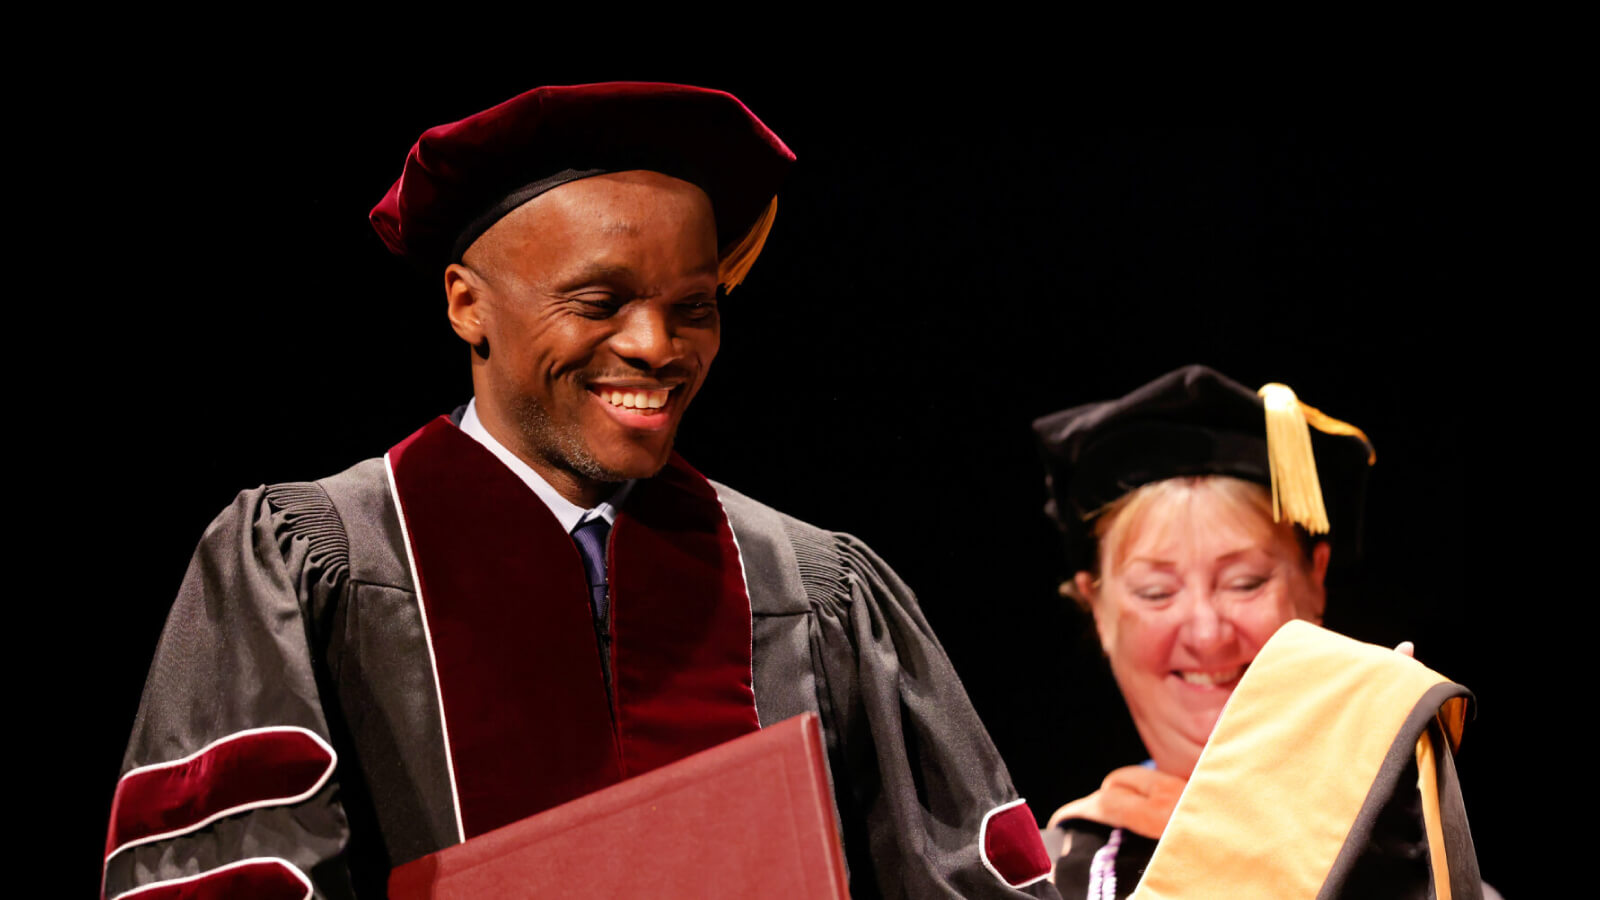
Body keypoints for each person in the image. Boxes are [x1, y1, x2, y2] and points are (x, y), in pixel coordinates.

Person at [102, 83, 1055, 900]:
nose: (656, 347)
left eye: (694, 308)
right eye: (600, 302)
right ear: (466, 303)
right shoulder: (316, 563)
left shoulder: (811, 588)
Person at [1032, 365, 1483, 899]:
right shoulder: (1038, 880)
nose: (1207, 634)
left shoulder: (1417, 855)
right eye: (1156, 592)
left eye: (1245, 583)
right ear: (1097, 610)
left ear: (1315, 580)